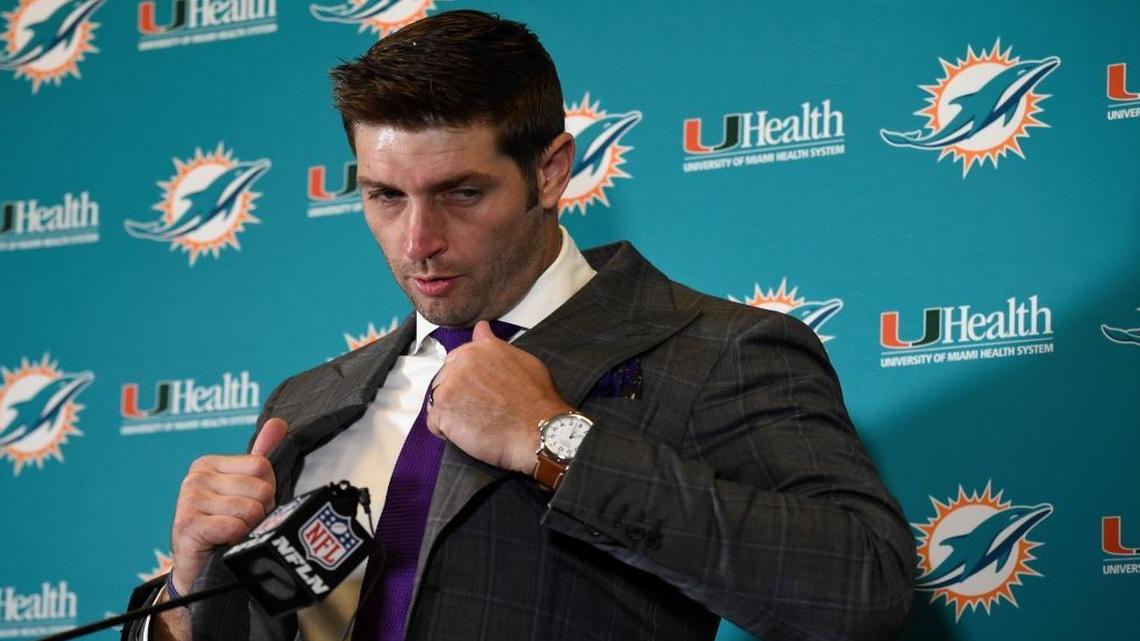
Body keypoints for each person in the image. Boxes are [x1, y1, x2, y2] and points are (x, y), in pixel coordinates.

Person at [125, 10, 915, 641]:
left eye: (461, 193)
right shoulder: (307, 402)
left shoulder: (715, 350)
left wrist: (556, 441)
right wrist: (189, 592)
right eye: (384, 196)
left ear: (551, 171)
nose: (417, 241)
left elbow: (863, 588)